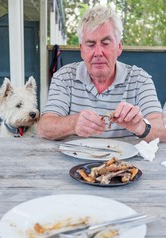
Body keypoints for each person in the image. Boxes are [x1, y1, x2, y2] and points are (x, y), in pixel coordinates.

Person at [37, 5, 165, 142]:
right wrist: (72, 124)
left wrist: (140, 126)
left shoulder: (140, 79)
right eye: (91, 44)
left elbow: (162, 130)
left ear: (119, 47)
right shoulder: (64, 77)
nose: (98, 53)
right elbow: (44, 127)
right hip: (72, 162)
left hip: (126, 163)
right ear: (81, 49)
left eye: (105, 43)